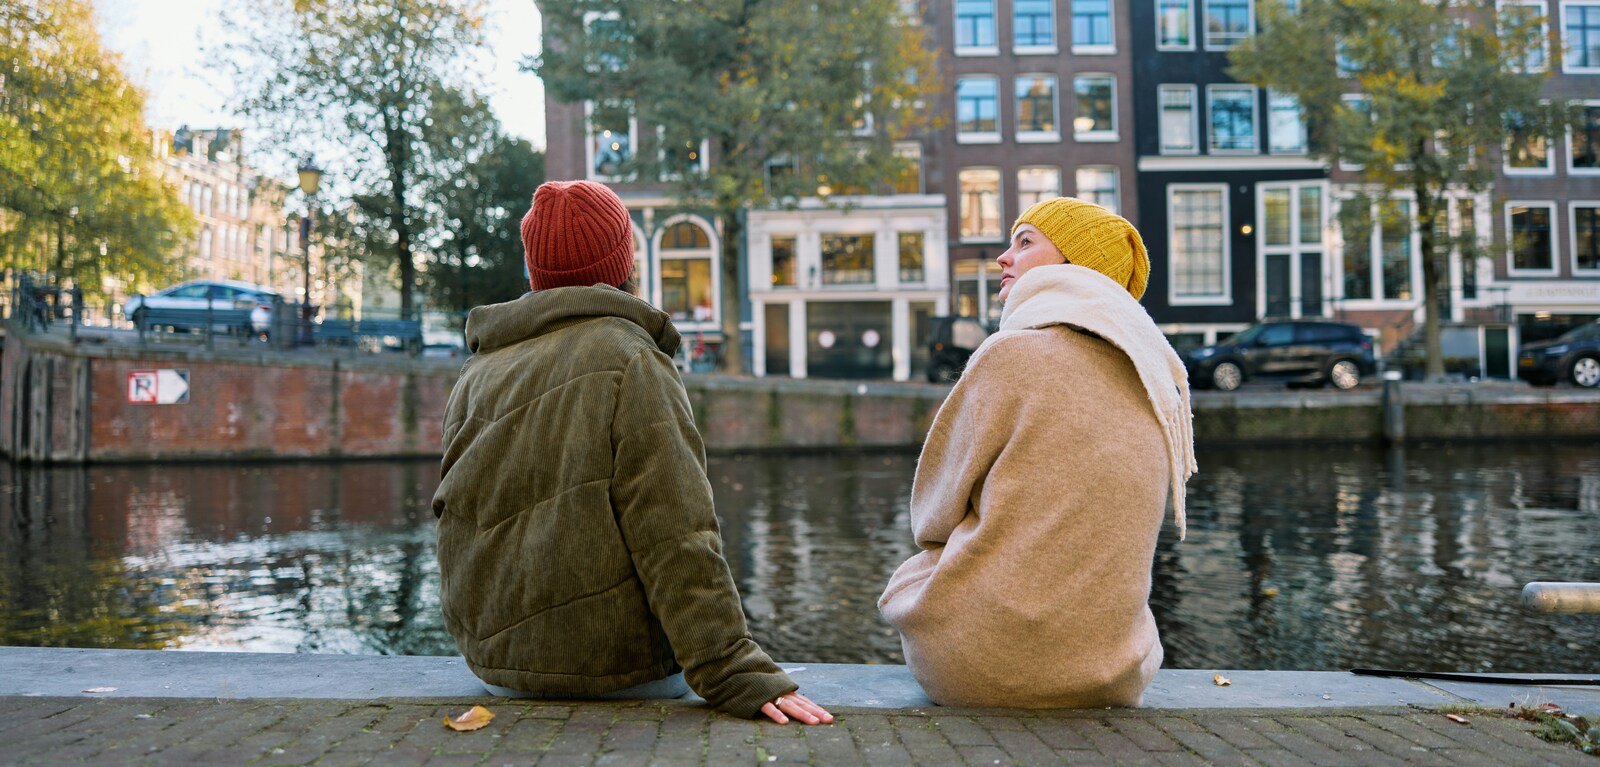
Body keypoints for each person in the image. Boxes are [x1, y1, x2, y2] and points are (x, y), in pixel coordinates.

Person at [432, 180, 831, 725]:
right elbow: (675, 530)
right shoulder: (629, 358)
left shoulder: (479, 370)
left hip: (494, 668)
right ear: (625, 263)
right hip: (608, 668)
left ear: (534, 274)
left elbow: (452, 515)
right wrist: (733, 670)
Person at [878, 196, 1197, 708]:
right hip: (1113, 675)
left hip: (970, 668)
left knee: (922, 566)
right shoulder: (1157, 381)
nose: (1004, 258)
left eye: (1024, 243)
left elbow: (930, 517)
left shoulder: (1010, 354)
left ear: (1076, 266)